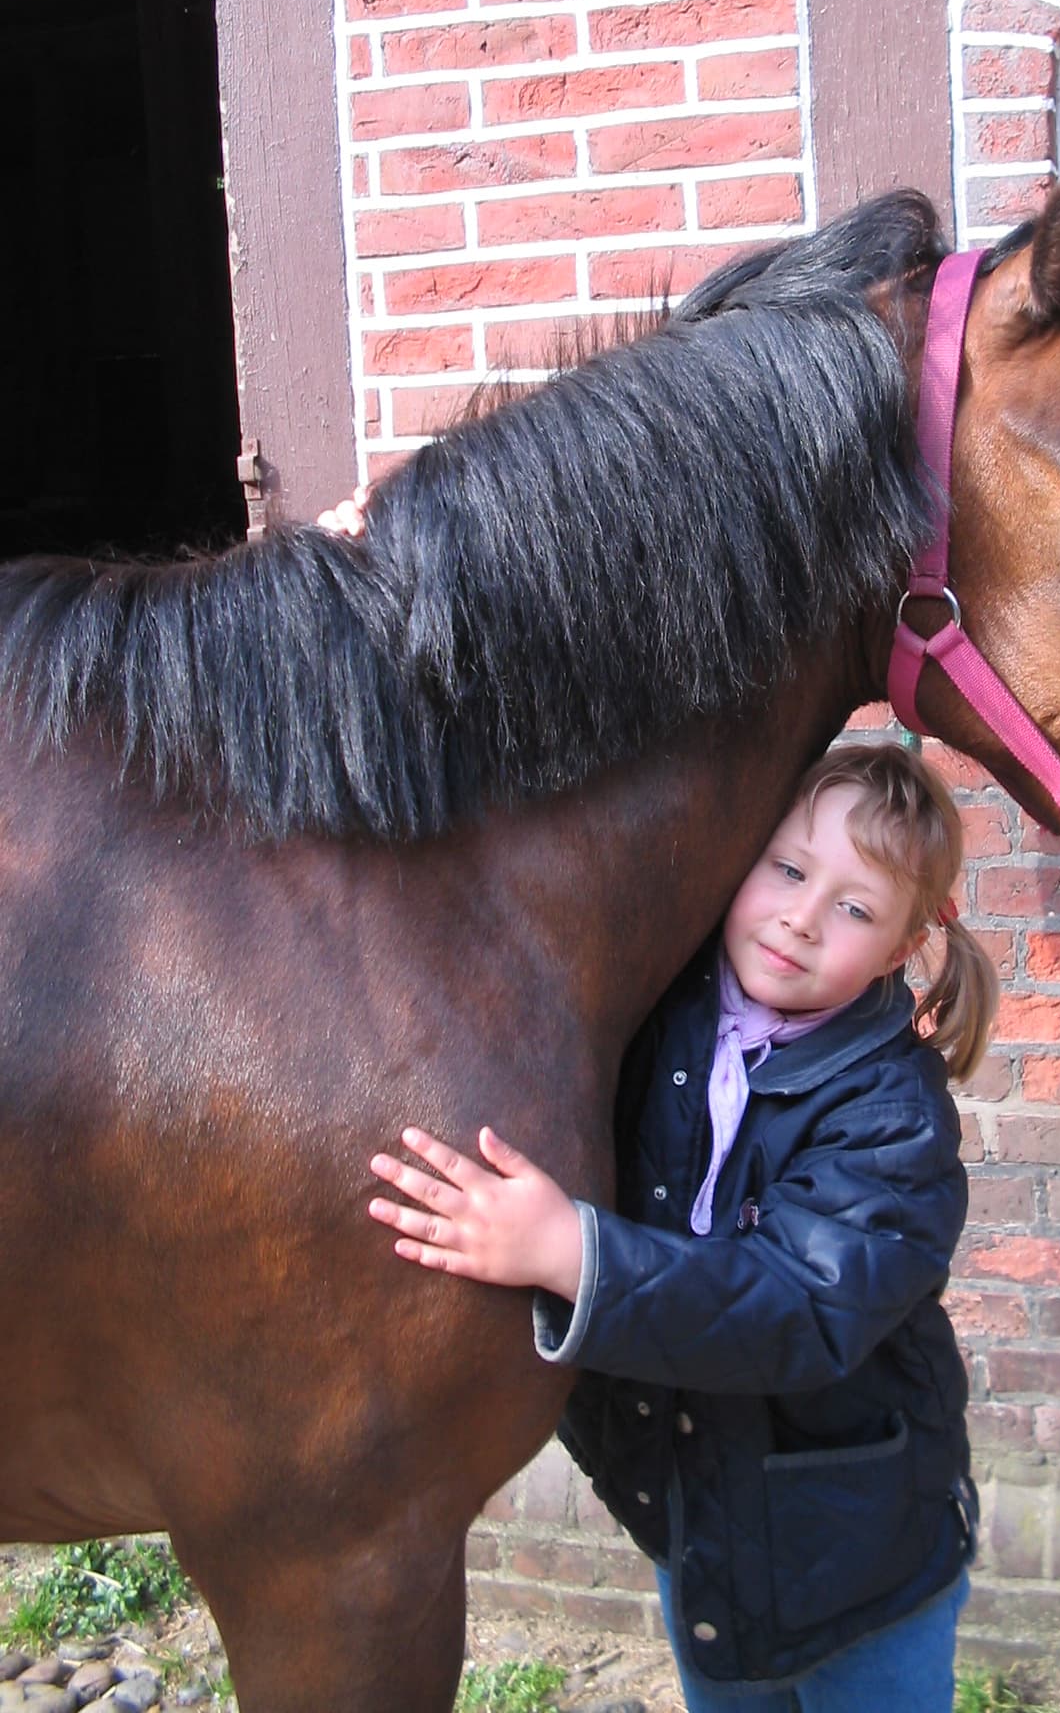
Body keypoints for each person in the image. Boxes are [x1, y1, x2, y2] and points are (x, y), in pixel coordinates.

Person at [365, 723, 998, 1705]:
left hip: (866, 1559)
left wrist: (570, 1250)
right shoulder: (662, 1016)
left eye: (855, 906)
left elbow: (802, 1307)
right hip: (702, 1529)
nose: (799, 917)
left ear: (903, 949)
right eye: (786, 868)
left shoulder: (893, 1113)